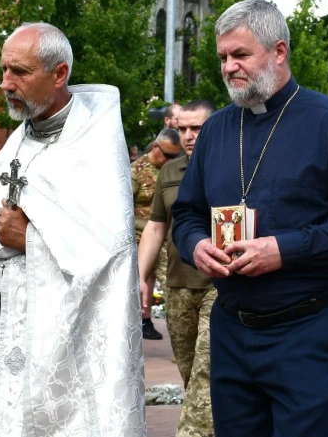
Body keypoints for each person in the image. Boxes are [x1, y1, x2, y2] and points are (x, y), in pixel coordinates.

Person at [171, 0, 328, 436]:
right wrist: (197, 244)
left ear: (278, 52)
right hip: (231, 327)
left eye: (240, 55)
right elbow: (187, 213)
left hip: (307, 328)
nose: (228, 67)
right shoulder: (217, 129)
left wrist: (285, 249)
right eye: (222, 57)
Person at [0, 22, 144, 436]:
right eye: (3, 70)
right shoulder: (21, 138)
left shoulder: (94, 144)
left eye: (20, 72)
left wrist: (29, 237)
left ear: (59, 74)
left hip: (52, 340)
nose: (5, 83)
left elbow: (113, 252)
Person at [139, 99, 217, 437]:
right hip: (178, 286)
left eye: (196, 128)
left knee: (206, 374)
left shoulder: (235, 165)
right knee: (190, 374)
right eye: (183, 128)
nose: (188, 135)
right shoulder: (170, 173)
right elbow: (156, 227)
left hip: (221, 287)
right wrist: (141, 277)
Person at [132, 127, 181, 340]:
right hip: (138, 239)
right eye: (168, 155)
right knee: (136, 288)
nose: (171, 159)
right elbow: (122, 207)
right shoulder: (136, 171)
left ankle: (180, 334)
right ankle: (140, 324)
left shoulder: (172, 170)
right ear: (155, 147)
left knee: (174, 289)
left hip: (165, 240)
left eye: (175, 155)